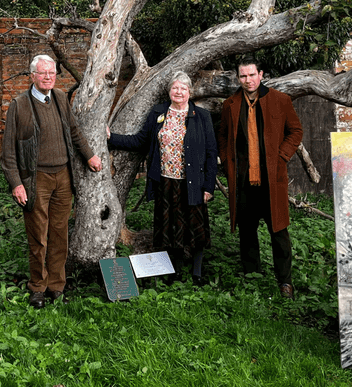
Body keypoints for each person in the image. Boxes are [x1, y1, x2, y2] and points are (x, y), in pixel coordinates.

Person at [1, 54, 102, 308]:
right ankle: (37, 287)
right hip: (36, 179)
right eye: (43, 73)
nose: (48, 77)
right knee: (38, 236)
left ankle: (57, 285)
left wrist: (89, 155)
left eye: (52, 73)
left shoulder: (59, 98)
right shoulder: (19, 105)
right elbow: (8, 152)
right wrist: (16, 183)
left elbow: (74, 130)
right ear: (32, 75)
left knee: (59, 235)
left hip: (63, 177)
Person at [108, 72, 217, 285]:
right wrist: (112, 137)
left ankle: (197, 273)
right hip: (165, 181)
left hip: (192, 182)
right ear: (169, 91)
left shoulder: (201, 116)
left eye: (183, 88)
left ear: (189, 92)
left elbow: (211, 153)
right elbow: (141, 140)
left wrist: (209, 186)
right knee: (171, 227)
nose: (179, 92)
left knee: (195, 226)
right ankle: (174, 271)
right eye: (175, 88)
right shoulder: (159, 113)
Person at [217, 55, 303, 298]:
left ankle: (285, 281)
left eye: (252, 75)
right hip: (244, 180)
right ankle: (251, 276)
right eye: (243, 76)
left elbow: (295, 131)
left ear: (261, 74)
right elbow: (222, 135)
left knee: (279, 231)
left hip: (271, 180)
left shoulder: (280, 100)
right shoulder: (230, 105)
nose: (248, 80)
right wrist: (227, 161)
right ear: (238, 78)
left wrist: (282, 156)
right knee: (247, 230)